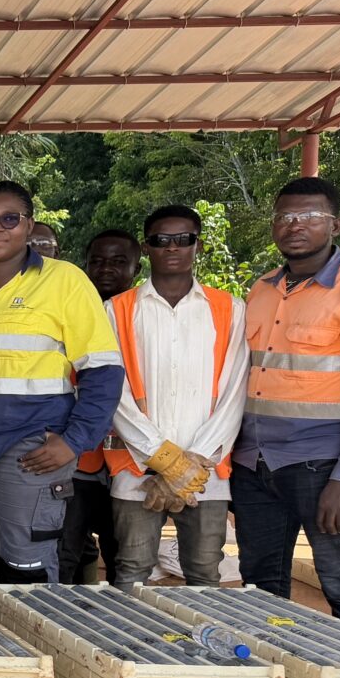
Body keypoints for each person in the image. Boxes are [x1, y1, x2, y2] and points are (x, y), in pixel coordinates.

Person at [0, 181, 122, 604]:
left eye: (10, 219)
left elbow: (103, 370)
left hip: (29, 448)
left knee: (27, 564)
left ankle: (29, 644)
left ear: (29, 225)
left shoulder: (64, 281)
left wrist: (74, 442)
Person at [233, 178, 340, 630]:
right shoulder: (262, 289)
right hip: (253, 465)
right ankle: (277, 670)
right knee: (259, 585)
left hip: (322, 467)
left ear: (336, 224)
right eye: (285, 216)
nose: (295, 225)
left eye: (310, 216)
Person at [104, 205, 246, 589]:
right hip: (136, 470)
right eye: (161, 239)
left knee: (204, 571)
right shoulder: (116, 311)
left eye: (183, 239)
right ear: (146, 247)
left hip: (206, 472)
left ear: (198, 245)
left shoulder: (230, 310)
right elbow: (115, 394)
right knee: (131, 569)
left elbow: (233, 394)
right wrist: (167, 461)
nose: (172, 247)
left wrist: (190, 465)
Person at [58, 229, 142, 583]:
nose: (106, 268)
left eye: (118, 261)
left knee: (125, 555)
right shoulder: (68, 310)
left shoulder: (148, 317)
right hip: (79, 457)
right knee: (65, 550)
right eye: (97, 261)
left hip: (133, 459)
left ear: (137, 268)